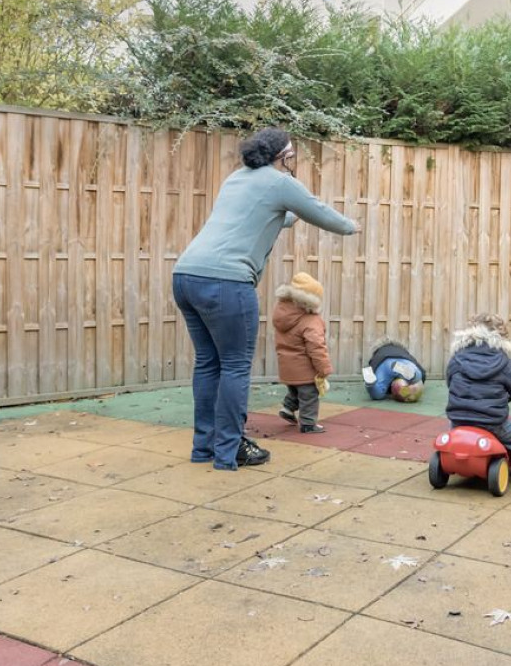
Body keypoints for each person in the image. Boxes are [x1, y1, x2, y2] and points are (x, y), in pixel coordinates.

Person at [172, 128, 359, 470]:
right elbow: (317, 211)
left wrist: (291, 215)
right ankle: (228, 453)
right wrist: (351, 226)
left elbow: (273, 214)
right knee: (234, 366)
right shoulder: (280, 182)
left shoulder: (235, 179)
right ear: (282, 156)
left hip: (186, 275)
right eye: (291, 155)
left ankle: (204, 448)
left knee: (208, 363)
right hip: (226, 281)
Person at [444, 313, 511, 482]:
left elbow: (450, 381)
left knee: (451, 434)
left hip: (459, 419)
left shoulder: (457, 359)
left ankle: (447, 458)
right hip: (492, 421)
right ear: (500, 337)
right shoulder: (504, 363)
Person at [273, 272, 333, 434]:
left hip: (286, 367)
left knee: (295, 389)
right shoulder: (310, 320)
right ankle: (308, 424)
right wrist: (324, 369)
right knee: (309, 395)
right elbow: (316, 347)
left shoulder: (282, 315)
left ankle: (287, 409)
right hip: (304, 369)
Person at [362, 337, 426, 402]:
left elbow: (373, 365)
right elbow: (422, 372)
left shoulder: (377, 354)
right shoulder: (403, 352)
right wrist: (420, 378)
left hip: (382, 365)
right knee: (418, 375)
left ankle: (370, 384)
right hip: (401, 360)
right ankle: (411, 374)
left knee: (377, 394)